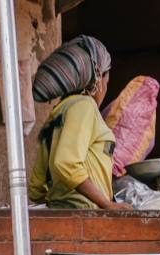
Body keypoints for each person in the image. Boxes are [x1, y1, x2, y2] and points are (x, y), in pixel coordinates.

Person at [29, 35, 131, 211]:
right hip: (84, 217)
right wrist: (106, 204)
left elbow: (35, 187)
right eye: (107, 81)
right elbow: (66, 163)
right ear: (99, 79)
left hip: (60, 215)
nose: (105, 88)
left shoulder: (58, 112)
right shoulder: (84, 105)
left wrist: (58, 196)